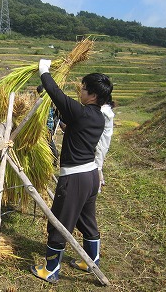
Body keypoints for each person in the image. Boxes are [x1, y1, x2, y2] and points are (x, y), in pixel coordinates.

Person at [30, 59, 113, 283]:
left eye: (84, 89)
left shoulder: (83, 113)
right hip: (91, 177)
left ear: (93, 95)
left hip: (75, 179)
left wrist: (44, 71)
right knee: (87, 220)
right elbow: (74, 125)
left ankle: (50, 270)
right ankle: (91, 260)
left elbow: (56, 93)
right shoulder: (98, 117)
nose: (81, 92)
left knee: (59, 222)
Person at [95, 96, 115, 192]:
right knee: (99, 161)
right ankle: (101, 180)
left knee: (97, 163)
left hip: (101, 140)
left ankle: (97, 186)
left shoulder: (103, 111)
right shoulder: (108, 110)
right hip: (105, 140)